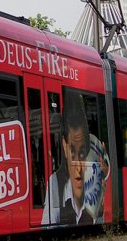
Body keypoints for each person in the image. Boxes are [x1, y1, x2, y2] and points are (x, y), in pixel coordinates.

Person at [42, 93, 109, 226]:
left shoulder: (96, 181)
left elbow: (102, 224)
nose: (78, 168)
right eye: (73, 154)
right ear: (64, 146)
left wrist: (99, 209)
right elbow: (47, 226)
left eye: (82, 154)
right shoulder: (55, 182)